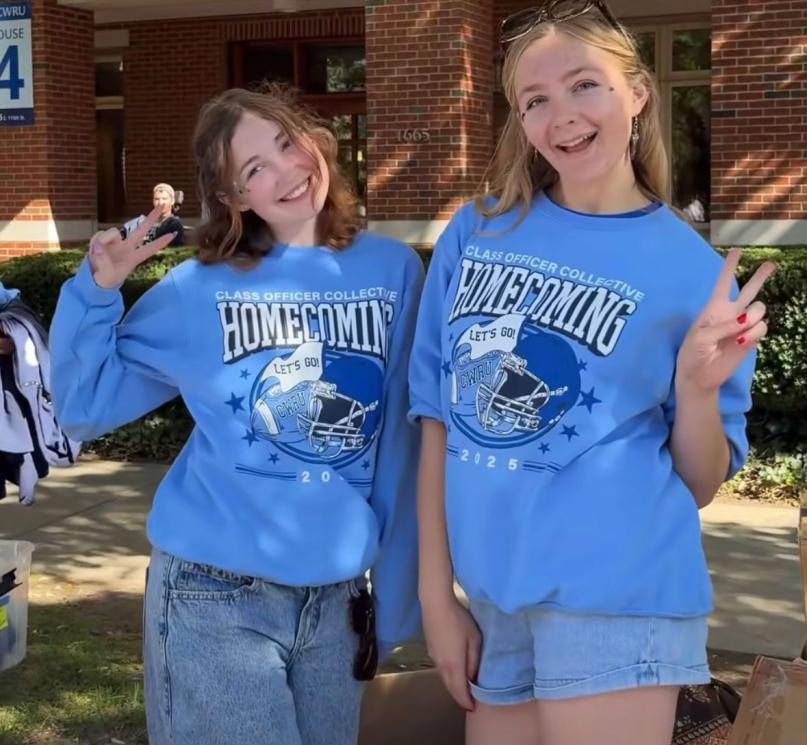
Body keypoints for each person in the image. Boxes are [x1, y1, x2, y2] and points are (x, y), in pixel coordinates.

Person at [409, 3, 775, 745]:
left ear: (636, 92)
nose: (561, 117)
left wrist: (699, 387)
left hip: (617, 597)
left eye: (584, 85)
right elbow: (435, 417)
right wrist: (434, 596)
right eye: (534, 100)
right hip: (491, 597)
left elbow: (700, 481)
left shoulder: (692, 274)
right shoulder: (477, 230)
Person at [50, 85, 423, 745]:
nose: (285, 171)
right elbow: (84, 406)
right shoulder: (198, 288)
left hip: (338, 600)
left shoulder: (391, 269)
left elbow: (399, 445)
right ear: (232, 198)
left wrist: (393, 597)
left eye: (286, 143)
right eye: (253, 169)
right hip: (212, 594)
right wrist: (95, 293)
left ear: (315, 139)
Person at [121, 182, 185, 247]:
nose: (160, 203)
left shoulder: (173, 224)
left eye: (164, 199)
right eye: (157, 199)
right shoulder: (140, 222)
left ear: (172, 201)